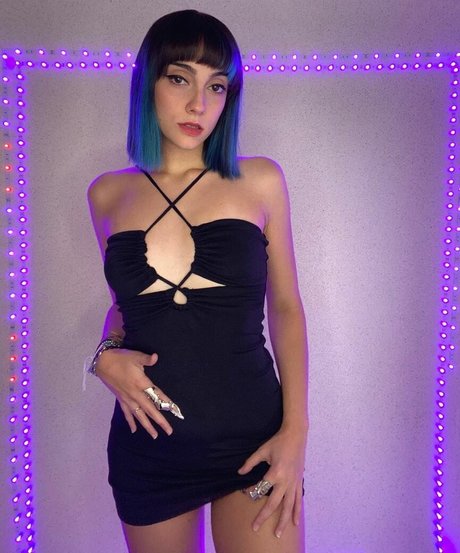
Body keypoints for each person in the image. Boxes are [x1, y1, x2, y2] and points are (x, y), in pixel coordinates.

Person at [86, 9, 309, 553]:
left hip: (254, 442)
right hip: (150, 449)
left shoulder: (260, 179)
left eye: (216, 86)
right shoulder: (107, 194)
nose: (198, 105)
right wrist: (105, 355)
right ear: (148, 82)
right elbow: (125, 308)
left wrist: (296, 434)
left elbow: (285, 307)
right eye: (179, 78)